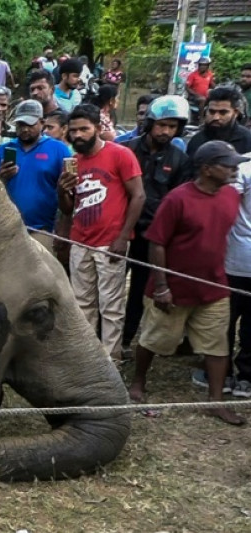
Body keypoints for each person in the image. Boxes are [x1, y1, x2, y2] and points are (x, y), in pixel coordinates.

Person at [127, 141, 248, 426]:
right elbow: (157, 242)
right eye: (227, 164)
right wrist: (161, 286)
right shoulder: (178, 199)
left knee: (218, 345)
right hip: (174, 287)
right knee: (154, 339)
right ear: (206, 169)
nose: (234, 169)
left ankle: (215, 402)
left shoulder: (231, 196)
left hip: (215, 285)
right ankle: (138, 382)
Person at [57, 104, 145, 364]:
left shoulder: (120, 154)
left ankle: (111, 360)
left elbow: (138, 195)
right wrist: (62, 190)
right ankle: (87, 359)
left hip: (110, 242)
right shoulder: (73, 162)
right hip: (80, 240)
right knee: (82, 304)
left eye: (84, 129)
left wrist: (123, 237)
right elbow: (67, 208)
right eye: (73, 131)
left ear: (97, 127)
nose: (78, 136)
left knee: (111, 305)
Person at [119, 96, 191, 356]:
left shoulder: (181, 160)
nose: (166, 131)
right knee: (110, 287)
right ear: (150, 123)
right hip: (120, 231)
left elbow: (177, 202)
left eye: (172, 127)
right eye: (161, 125)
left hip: (151, 237)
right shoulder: (126, 150)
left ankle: (125, 340)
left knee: (138, 291)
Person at [0, 100, 71, 250]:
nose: (25, 129)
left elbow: (69, 191)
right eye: (21, 125)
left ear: (42, 122)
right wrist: (2, 177)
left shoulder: (58, 150)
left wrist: (64, 226)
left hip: (43, 230)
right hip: (7, 230)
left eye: (30, 124)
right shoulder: (3, 150)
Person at [226, 153, 251, 397]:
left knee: (226, 318)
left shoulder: (243, 167)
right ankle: (246, 375)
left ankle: (225, 374)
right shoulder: (243, 165)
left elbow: (228, 205)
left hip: (237, 257)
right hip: (237, 256)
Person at [186, 86, 251, 157]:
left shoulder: (247, 140)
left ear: (235, 113)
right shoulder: (197, 140)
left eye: (223, 112)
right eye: (212, 112)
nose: (216, 117)